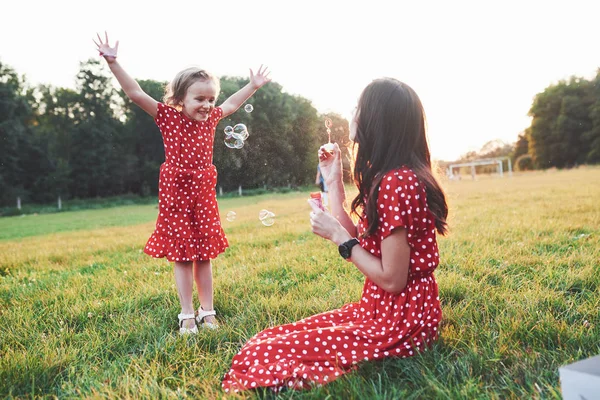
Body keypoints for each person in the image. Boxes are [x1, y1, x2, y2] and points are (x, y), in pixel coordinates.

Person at [222, 78, 448, 393]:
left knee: (265, 352)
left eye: (358, 108)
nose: (352, 114)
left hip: (399, 321)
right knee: (268, 339)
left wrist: (341, 239)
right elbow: (365, 239)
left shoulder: (398, 183)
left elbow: (392, 279)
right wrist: (333, 182)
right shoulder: (390, 177)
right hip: (382, 308)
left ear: (376, 121)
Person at [94, 32, 271, 334]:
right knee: (183, 254)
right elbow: (136, 93)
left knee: (204, 254)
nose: (206, 105)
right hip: (176, 192)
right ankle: (187, 313)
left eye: (210, 98)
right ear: (180, 99)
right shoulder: (167, 117)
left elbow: (230, 104)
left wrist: (252, 86)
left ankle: (208, 311)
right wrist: (113, 62)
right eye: (199, 98)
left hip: (202, 193)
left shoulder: (213, 118)